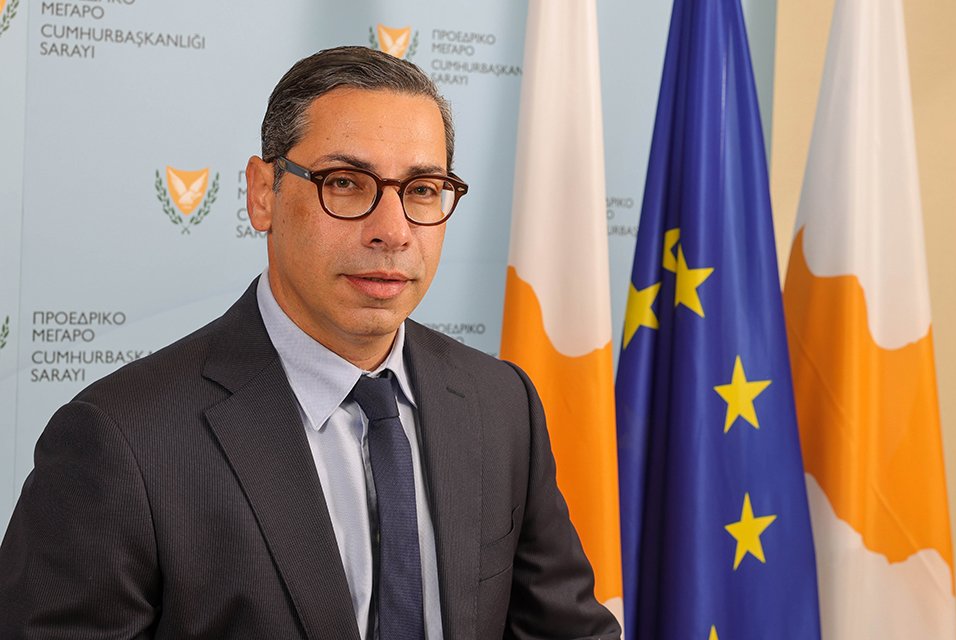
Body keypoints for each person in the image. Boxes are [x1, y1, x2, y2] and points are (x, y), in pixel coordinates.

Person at [0, 46, 621, 640]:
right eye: (345, 182)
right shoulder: (121, 440)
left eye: (422, 189)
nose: (392, 231)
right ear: (262, 194)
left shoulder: (500, 402)